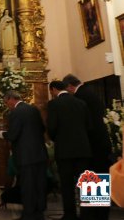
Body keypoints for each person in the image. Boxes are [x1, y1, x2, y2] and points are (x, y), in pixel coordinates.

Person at [63, 74, 112, 220]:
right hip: (101, 144)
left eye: (68, 90)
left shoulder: (79, 97)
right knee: (100, 180)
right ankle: (101, 214)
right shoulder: (90, 93)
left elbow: (82, 124)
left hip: (92, 145)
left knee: (93, 180)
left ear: (70, 86)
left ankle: (93, 215)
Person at [0, 90, 47, 220]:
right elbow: (42, 129)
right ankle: (39, 212)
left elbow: (13, 135)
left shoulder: (16, 112)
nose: (6, 105)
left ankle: (29, 214)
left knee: (27, 186)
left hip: (25, 156)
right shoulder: (33, 109)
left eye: (6, 102)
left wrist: (2, 134)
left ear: (11, 99)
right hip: (39, 154)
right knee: (39, 185)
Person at [47, 80, 92, 220]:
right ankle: (87, 214)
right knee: (85, 183)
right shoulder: (81, 102)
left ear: (53, 89)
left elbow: (52, 127)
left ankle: (70, 214)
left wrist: (57, 140)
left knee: (66, 185)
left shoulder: (54, 104)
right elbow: (89, 126)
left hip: (65, 150)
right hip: (83, 149)